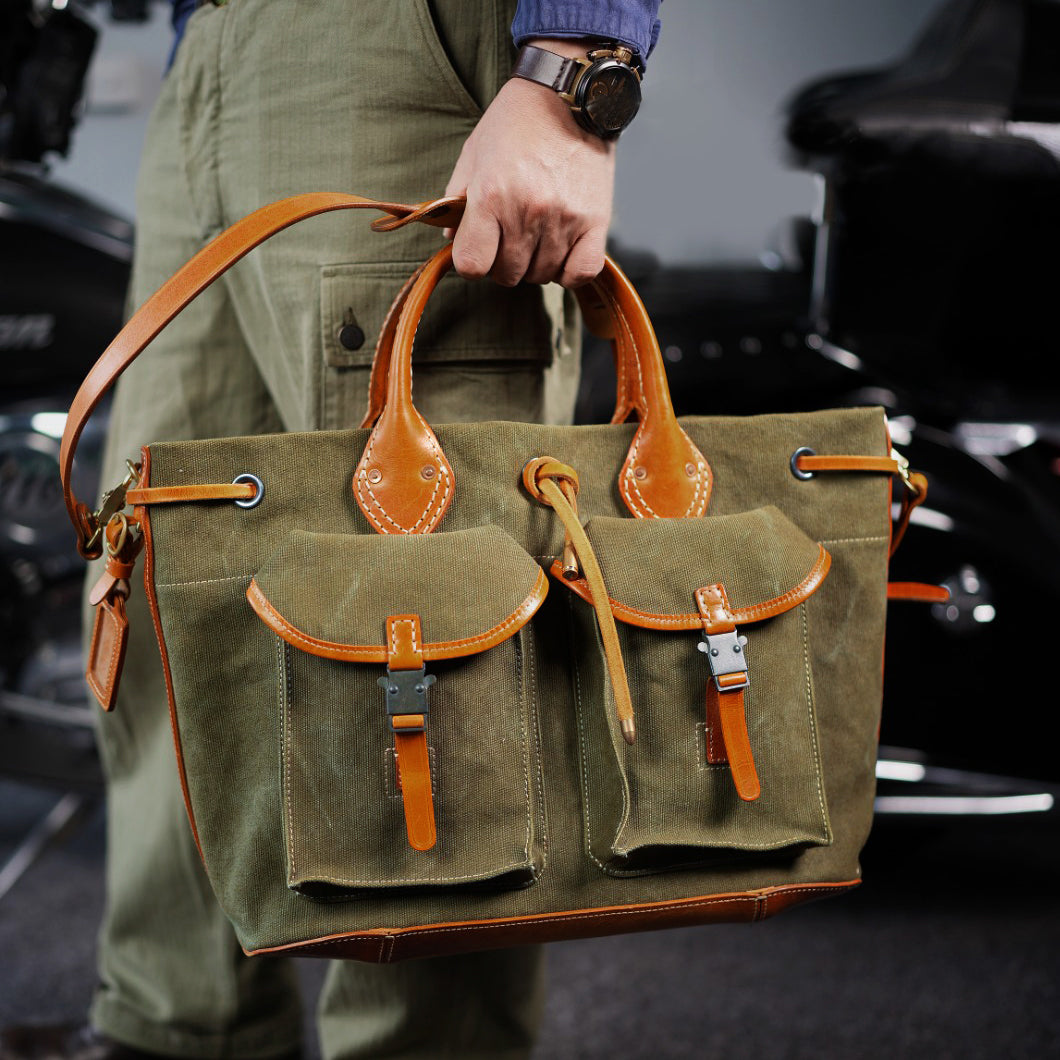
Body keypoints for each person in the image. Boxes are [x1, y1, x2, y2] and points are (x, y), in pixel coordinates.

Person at [1, 2, 660, 1058]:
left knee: (437, 624)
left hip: (394, 46)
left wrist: (574, 64)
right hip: (208, 52)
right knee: (160, 580)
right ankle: (180, 1023)